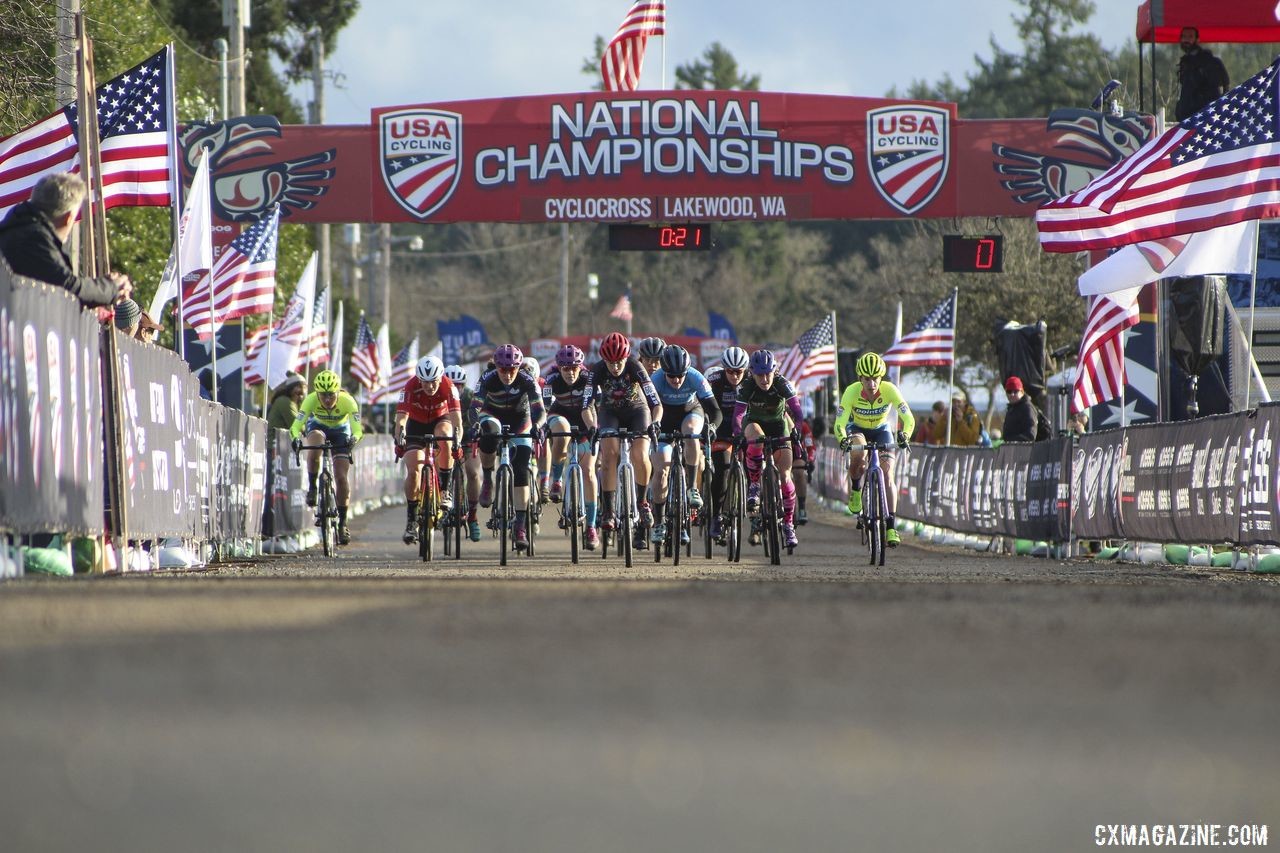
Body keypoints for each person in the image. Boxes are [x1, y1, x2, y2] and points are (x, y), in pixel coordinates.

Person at [582, 331, 663, 551]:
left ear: (626, 358)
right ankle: (608, 510)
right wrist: (591, 426)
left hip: (638, 411)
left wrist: (655, 422)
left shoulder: (636, 367)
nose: (616, 367)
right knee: (609, 455)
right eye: (611, 362)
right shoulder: (596, 370)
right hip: (610, 412)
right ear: (603, 360)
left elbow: (656, 403)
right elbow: (586, 406)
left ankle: (643, 502)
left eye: (619, 362)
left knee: (640, 454)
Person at [0, 173, 132, 307]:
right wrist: (112, 289)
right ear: (68, 218)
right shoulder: (33, 238)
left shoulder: (16, 225)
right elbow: (68, 288)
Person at [832, 352, 915, 547]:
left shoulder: (890, 390)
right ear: (860, 379)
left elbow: (909, 418)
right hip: (857, 429)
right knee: (859, 455)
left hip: (881, 431)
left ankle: (891, 527)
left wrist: (905, 435)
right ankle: (855, 488)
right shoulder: (851, 392)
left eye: (875, 379)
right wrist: (843, 439)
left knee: (887, 475)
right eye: (867, 379)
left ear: (881, 377)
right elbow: (839, 423)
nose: (872, 384)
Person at [471, 344, 546, 552]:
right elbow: (475, 406)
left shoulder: (527, 379)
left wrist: (537, 427)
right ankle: (488, 479)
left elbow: (539, 410)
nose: (508, 374)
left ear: (519, 367)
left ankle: (520, 525)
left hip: (520, 419)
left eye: (512, 369)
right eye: (503, 369)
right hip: (492, 414)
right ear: (496, 367)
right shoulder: (487, 378)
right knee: (489, 432)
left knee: (521, 469)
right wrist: (475, 424)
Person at [646, 344, 721, 546]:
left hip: (690, 412)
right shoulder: (655, 380)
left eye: (681, 375)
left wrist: (712, 426)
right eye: (672, 376)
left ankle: (691, 488)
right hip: (664, 419)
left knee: (691, 431)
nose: (677, 380)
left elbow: (715, 411)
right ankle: (660, 521)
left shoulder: (696, 377)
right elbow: (646, 411)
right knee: (661, 467)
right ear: (664, 372)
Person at [732, 349, 803, 550]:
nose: (764, 379)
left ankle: (788, 524)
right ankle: (754, 484)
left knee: (785, 476)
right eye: (759, 375)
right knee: (755, 434)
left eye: (768, 374)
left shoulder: (782, 383)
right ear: (752, 373)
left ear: (774, 371)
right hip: (754, 424)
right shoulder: (746, 386)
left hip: (779, 426)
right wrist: (738, 433)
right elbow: (738, 415)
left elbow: (797, 411)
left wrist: (796, 431)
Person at [290, 369, 364, 546]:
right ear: (317, 393)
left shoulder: (348, 401)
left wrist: (354, 439)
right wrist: (295, 439)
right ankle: (313, 488)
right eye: (323, 396)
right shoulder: (310, 400)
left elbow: (358, 430)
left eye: (331, 395)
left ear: (338, 392)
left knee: (341, 477)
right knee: (315, 443)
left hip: (341, 431)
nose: (328, 400)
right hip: (318, 427)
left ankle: (343, 524)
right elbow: (295, 427)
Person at [394, 355, 463, 545]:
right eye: (425, 383)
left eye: (433, 382)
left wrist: (457, 441)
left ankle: (445, 489)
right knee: (414, 470)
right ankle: (411, 520)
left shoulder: (449, 386)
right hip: (416, 424)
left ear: (440, 377)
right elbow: (401, 419)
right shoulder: (409, 387)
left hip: (440, 420)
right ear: (418, 379)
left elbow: (457, 420)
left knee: (446, 435)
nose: (430, 387)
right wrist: (399, 440)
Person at [542, 345, 600, 550]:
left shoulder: (588, 378)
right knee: (561, 431)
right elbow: (546, 405)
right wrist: (542, 426)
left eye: (574, 367)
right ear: (559, 368)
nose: (570, 372)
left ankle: (592, 527)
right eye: (565, 368)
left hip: (587, 419)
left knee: (589, 472)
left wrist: (595, 428)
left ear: (580, 366)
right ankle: (556, 481)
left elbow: (596, 406)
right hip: (560, 415)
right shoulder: (550, 378)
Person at [705, 346, 749, 542]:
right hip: (721, 426)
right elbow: (704, 405)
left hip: (745, 426)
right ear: (724, 369)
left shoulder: (751, 380)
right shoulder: (714, 380)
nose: (734, 376)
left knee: (755, 463)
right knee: (722, 467)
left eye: (738, 371)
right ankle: (716, 515)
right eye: (730, 371)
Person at [1175, 27, 1229, 122]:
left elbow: (1224, 86)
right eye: (1184, 36)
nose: (1186, 40)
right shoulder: (1186, 62)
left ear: (1197, 40)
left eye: (1190, 36)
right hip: (1187, 118)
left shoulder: (1209, 62)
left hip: (1205, 117)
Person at [1000, 376, 1040, 442]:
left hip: (1024, 451)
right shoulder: (1011, 409)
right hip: (1011, 450)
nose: (1012, 394)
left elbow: (1031, 435)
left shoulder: (1027, 408)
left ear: (1022, 391)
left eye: (1015, 391)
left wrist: (1011, 441)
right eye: (1009, 391)